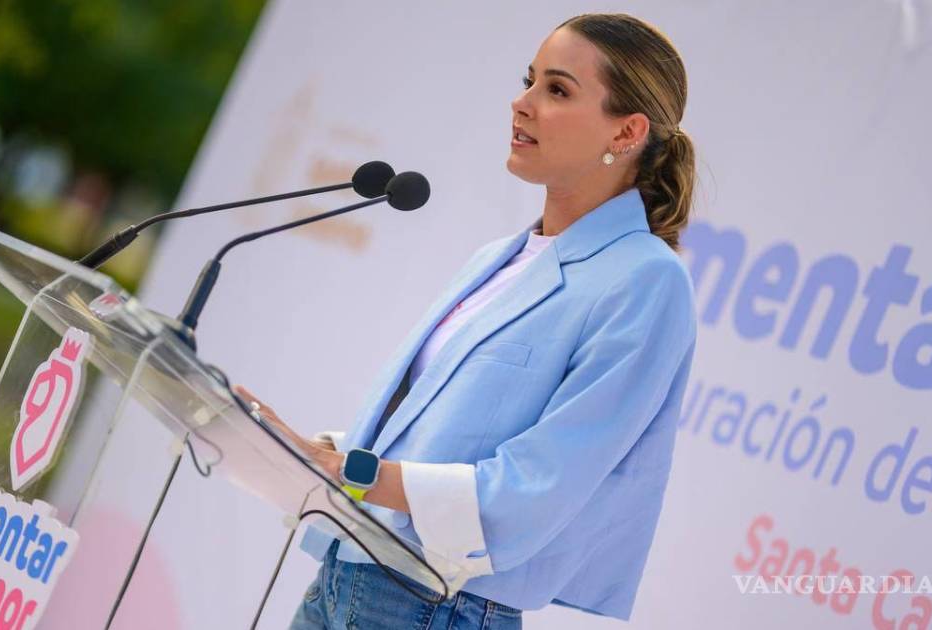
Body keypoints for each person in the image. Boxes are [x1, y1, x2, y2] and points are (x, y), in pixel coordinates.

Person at [234, 12, 699, 629]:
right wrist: (309, 450)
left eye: (557, 90)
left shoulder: (646, 281)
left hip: (433, 604)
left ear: (628, 130)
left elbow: (532, 490)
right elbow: (437, 441)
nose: (521, 103)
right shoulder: (500, 257)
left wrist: (350, 472)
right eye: (529, 81)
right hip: (347, 569)